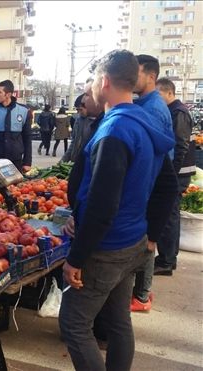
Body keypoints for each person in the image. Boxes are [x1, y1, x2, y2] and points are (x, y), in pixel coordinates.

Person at [59, 50, 176, 371]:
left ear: (104, 81)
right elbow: (167, 185)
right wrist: (150, 235)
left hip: (107, 248)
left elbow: (102, 206)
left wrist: (76, 258)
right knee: (118, 319)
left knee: (73, 324)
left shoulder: (115, 132)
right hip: (133, 241)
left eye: (94, 80)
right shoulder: (142, 121)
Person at [131, 54, 175, 312]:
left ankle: (142, 296)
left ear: (151, 76)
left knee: (146, 241)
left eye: (135, 72)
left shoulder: (153, 109)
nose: (130, 77)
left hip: (152, 184)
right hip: (151, 182)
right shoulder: (147, 104)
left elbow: (156, 155)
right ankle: (143, 292)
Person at [154, 77, 197, 276]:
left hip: (177, 174)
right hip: (176, 172)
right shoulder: (172, 111)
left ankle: (166, 260)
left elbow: (180, 145)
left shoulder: (178, 113)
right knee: (171, 215)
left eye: (159, 94)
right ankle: (168, 257)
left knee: (169, 216)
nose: (157, 98)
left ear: (169, 93)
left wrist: (169, 174)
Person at [0, 80, 32, 173]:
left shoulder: (24, 111)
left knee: (16, 187)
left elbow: (27, 137)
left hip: (15, 160)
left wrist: (27, 162)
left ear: (8, 94)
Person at [62, 91, 97, 163]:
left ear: (88, 107)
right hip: (75, 160)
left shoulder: (96, 121)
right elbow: (74, 142)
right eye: (77, 110)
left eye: (81, 109)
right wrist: (63, 160)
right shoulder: (78, 120)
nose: (79, 112)